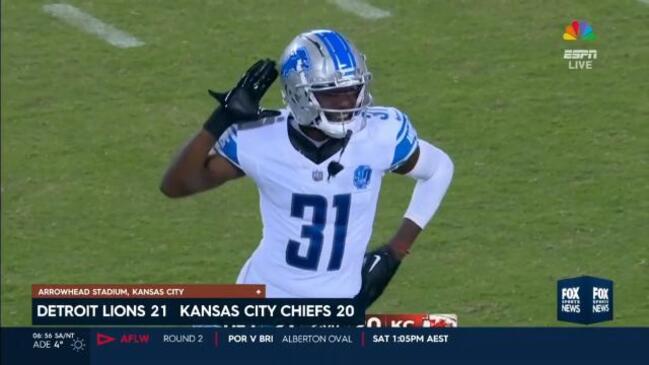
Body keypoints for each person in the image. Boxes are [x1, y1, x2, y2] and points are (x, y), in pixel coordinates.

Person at [160, 29, 453, 308]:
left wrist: (396, 251)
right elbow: (176, 185)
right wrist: (219, 121)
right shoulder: (261, 138)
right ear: (300, 93)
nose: (347, 102)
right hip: (265, 298)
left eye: (353, 90)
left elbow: (439, 169)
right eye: (332, 93)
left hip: (339, 305)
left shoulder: (381, 135)